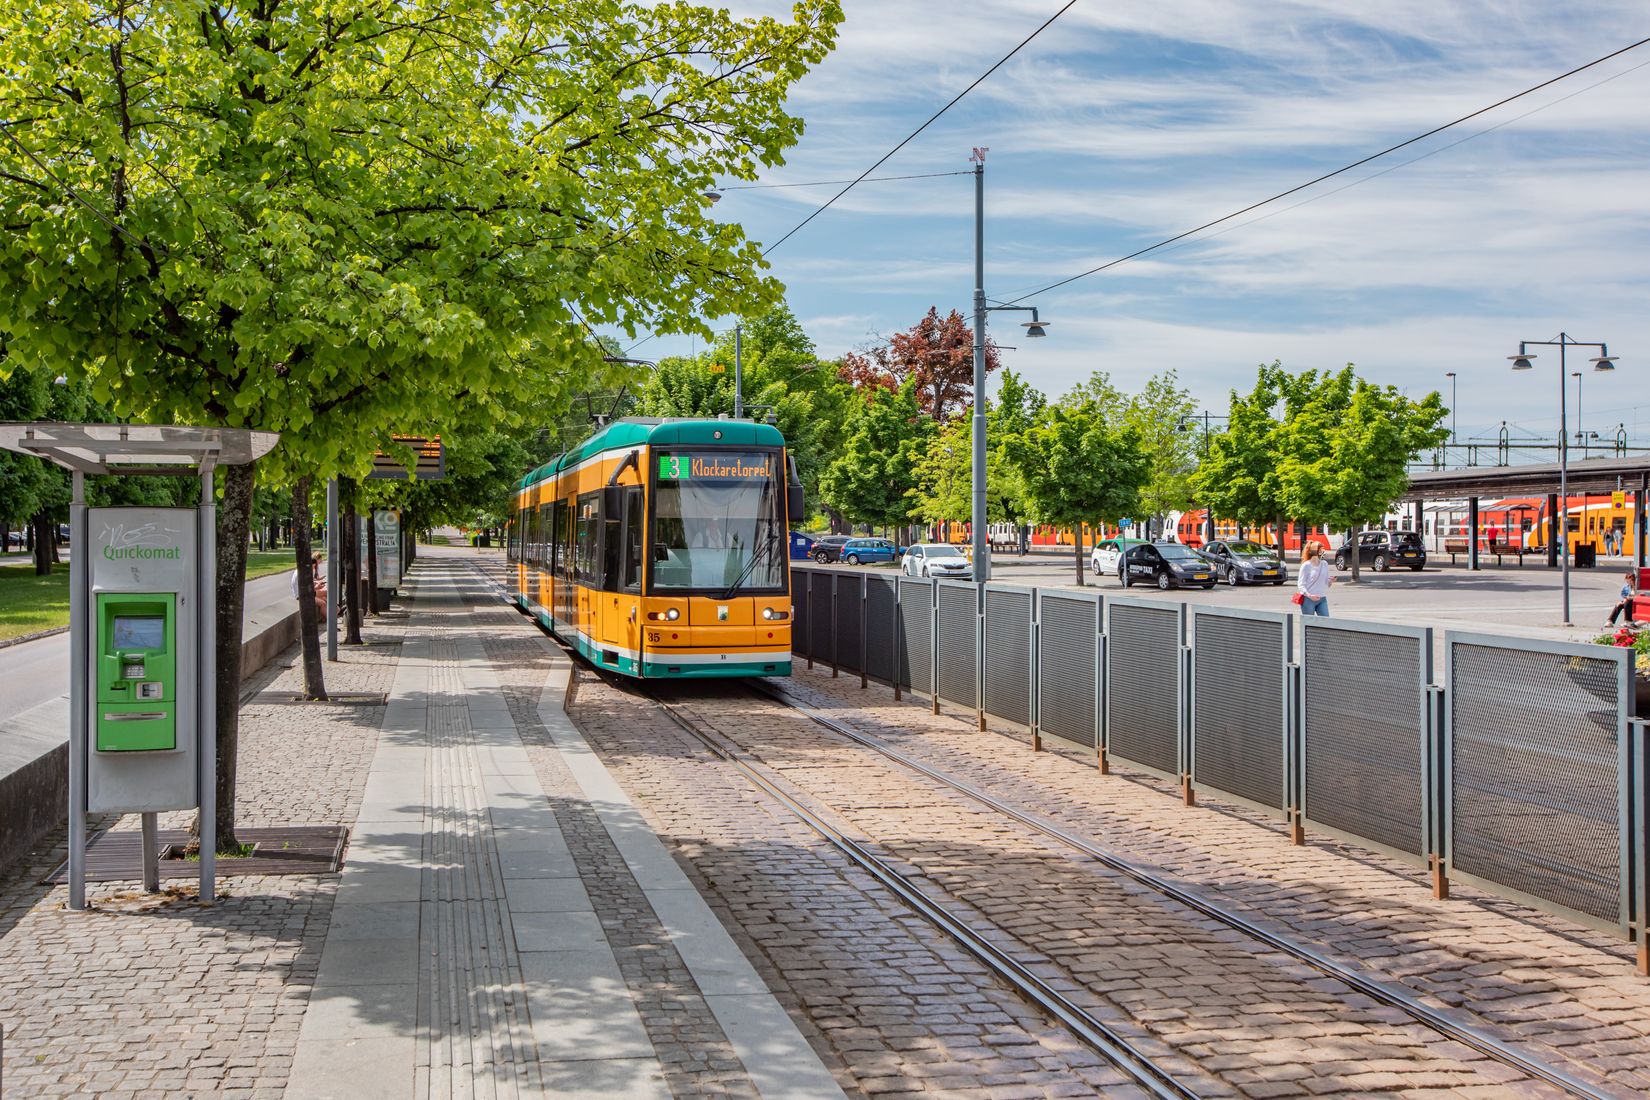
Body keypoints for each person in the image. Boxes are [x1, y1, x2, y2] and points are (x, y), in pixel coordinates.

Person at [1296, 541, 1332, 616]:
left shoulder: (1324, 564)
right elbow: (1301, 585)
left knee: (1326, 622)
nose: (1323, 551)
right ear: (1315, 551)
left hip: (1321, 598)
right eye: (1320, 549)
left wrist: (1331, 580)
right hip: (1308, 599)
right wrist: (1309, 595)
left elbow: (1327, 583)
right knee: (1308, 623)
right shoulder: (1306, 565)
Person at [290, 552, 327, 621]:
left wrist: (316, 584)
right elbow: (306, 589)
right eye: (313, 566)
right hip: (302, 595)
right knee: (323, 603)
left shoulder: (302, 570)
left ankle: (326, 617)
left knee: (324, 598)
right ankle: (329, 620)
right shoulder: (302, 573)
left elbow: (308, 584)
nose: (313, 568)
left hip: (304, 593)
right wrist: (317, 587)